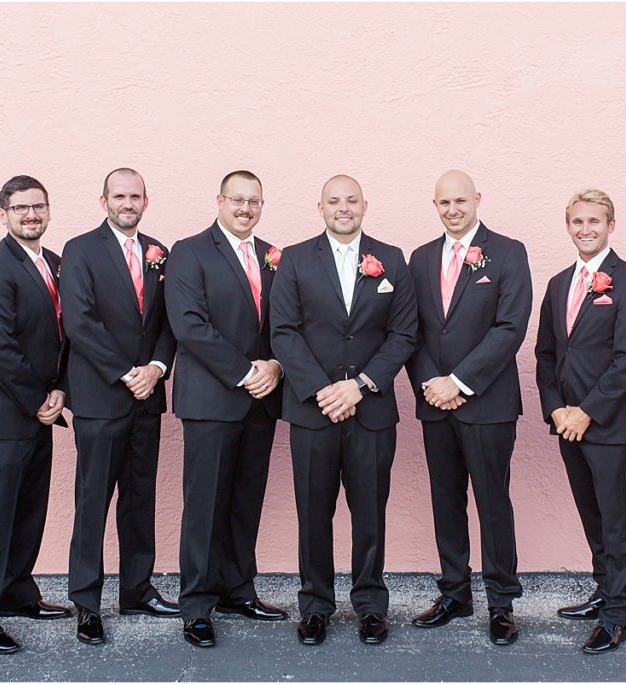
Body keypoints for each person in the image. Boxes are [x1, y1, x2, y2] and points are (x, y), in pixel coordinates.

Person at [270, 174, 417, 646]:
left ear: (364, 205)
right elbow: (284, 332)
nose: (343, 207)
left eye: (351, 200)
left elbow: (403, 334)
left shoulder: (392, 259)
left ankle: (371, 606)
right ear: (320, 207)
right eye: (334, 201)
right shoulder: (293, 259)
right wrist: (322, 391)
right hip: (313, 412)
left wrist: (361, 386)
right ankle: (315, 605)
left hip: (371, 410)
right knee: (314, 513)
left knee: (369, 512)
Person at [404, 170, 530, 645]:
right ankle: (454, 592)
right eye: (444, 203)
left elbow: (510, 326)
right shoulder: (419, 259)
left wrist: (459, 381)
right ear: (434, 205)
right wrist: (431, 384)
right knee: (446, 499)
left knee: (493, 501)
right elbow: (409, 330)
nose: (453, 209)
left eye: (460, 200)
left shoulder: (508, 252)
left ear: (477, 199)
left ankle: (501, 602)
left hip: (488, 403)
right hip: (436, 403)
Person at [164, 170, 287, 648]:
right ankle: (196, 604)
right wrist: (245, 371)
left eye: (254, 201)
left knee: (245, 501)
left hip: (260, 401)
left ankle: (239, 589)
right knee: (205, 505)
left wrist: (275, 366)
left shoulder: (275, 256)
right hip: (213, 401)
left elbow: (287, 322)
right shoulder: (190, 251)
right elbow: (189, 325)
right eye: (237, 200)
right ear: (219, 200)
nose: (245, 209)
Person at [60, 168, 179, 646]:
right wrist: (127, 372)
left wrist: (155, 366)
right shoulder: (80, 250)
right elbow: (81, 323)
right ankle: (86, 602)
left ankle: (137, 589)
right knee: (92, 501)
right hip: (101, 398)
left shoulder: (159, 253)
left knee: (139, 497)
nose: (127, 203)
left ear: (146, 201)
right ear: (103, 199)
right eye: (119, 195)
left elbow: (171, 320)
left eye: (135, 196)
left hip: (147, 398)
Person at [534, 189, 626, 654]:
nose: (585, 229)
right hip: (567, 422)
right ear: (568, 226)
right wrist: (556, 409)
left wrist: (587, 411)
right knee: (591, 514)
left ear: (611, 225)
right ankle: (604, 591)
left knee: (615, 517)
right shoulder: (559, 283)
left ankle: (617, 611)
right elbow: (546, 355)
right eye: (577, 222)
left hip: (606, 423)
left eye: (594, 221)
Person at [0, 175, 72, 655]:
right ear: (3, 214)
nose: (31, 215)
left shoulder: (56, 265)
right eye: (21, 208)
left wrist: (61, 388)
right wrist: (37, 398)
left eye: (38, 207)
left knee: (27, 511)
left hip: (36, 410)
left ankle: (16, 593)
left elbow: (68, 335)